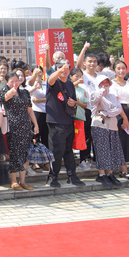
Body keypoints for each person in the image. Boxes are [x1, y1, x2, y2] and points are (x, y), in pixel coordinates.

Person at [45, 60, 85, 188]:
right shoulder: (54, 81)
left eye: (66, 68)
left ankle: (72, 176)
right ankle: (53, 177)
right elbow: (50, 80)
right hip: (55, 121)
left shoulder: (70, 84)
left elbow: (73, 100)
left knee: (68, 150)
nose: (64, 70)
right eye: (61, 68)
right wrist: (59, 71)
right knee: (57, 150)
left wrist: (73, 103)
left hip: (68, 120)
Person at [0, 72, 38, 191]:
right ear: (7, 82)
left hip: (25, 126)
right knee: (15, 153)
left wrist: (35, 125)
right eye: (12, 81)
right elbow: (4, 99)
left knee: (24, 153)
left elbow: (30, 110)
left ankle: (23, 181)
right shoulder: (4, 91)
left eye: (17, 80)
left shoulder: (25, 92)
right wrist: (12, 91)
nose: (15, 83)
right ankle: (14, 181)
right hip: (12, 126)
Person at [88, 75, 129, 188]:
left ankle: (110, 173)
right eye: (102, 83)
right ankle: (101, 174)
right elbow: (95, 100)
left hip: (112, 125)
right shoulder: (94, 94)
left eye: (107, 83)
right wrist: (101, 91)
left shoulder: (112, 96)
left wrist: (107, 113)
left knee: (112, 149)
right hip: (99, 125)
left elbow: (118, 109)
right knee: (102, 150)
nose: (105, 85)